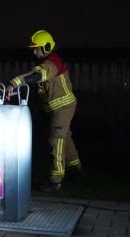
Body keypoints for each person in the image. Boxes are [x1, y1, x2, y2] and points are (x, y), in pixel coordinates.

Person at [8, 30, 82, 192]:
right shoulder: (47, 62)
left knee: (56, 140)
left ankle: (55, 181)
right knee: (65, 137)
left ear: (47, 47)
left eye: (37, 48)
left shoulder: (51, 62)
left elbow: (36, 76)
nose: (34, 52)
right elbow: (40, 85)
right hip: (58, 107)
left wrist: (15, 83)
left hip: (62, 107)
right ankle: (75, 169)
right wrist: (17, 91)